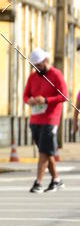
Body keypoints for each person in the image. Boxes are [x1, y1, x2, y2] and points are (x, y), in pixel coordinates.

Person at [23, 48, 68, 193]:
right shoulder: (32, 77)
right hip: (35, 119)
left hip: (50, 119)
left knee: (43, 151)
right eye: (34, 66)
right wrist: (30, 101)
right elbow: (25, 96)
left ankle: (38, 183)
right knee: (47, 151)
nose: (37, 68)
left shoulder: (56, 75)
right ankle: (56, 180)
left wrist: (46, 100)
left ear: (45, 61)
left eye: (39, 65)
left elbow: (64, 96)